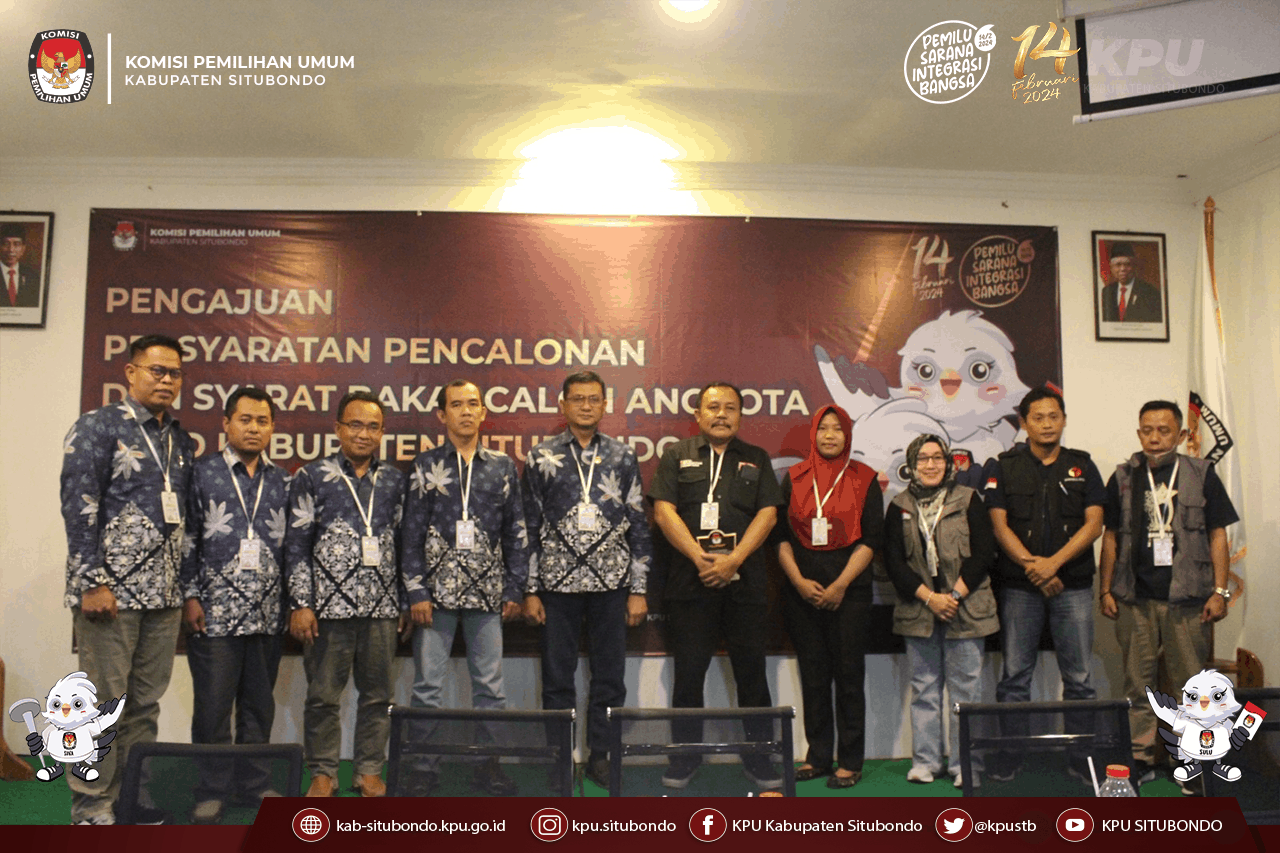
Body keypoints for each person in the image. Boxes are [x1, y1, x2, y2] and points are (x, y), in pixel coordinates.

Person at [59, 334, 194, 824]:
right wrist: (92, 582)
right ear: (131, 372)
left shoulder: (180, 439)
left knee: (144, 705)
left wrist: (182, 588)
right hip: (109, 594)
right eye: (157, 370)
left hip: (164, 595)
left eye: (174, 373)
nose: (166, 380)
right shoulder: (97, 427)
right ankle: (91, 804)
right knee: (101, 705)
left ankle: (133, 797)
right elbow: (78, 505)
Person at [648, 382, 784, 790]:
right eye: (713, 407)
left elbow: (768, 515)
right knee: (688, 676)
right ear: (698, 414)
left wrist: (733, 560)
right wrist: (700, 558)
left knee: (752, 676)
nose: (721, 414)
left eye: (730, 408)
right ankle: (685, 757)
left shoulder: (757, 458)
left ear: (740, 415)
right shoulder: (676, 455)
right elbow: (663, 512)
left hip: (744, 584)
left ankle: (759, 759)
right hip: (691, 584)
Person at [521, 371, 652, 790]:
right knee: (557, 679)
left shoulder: (622, 456)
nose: (586, 406)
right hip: (555, 586)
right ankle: (559, 756)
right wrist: (530, 589)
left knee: (609, 678)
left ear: (604, 405)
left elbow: (638, 524)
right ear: (563, 405)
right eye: (577, 399)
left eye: (593, 399)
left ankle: (602, 755)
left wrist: (638, 588)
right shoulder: (541, 457)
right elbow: (528, 526)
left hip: (611, 585)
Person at [1099, 400, 1238, 787]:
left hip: (1189, 601)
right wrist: (1105, 589)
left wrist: (1220, 591)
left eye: (1164, 430)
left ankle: (1191, 762)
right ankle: (1140, 758)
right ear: (1138, 433)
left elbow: (1218, 534)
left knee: (1191, 687)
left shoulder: (1202, 474)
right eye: (1147, 430)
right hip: (1135, 599)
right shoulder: (1124, 476)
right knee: (1137, 683)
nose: (1155, 437)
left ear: (1180, 435)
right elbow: (1110, 536)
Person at [400, 380, 529, 796]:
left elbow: (516, 531)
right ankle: (424, 767)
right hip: (434, 597)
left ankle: (488, 765)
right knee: (428, 687)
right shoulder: (425, 466)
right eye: (457, 405)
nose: (466, 411)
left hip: (488, 594)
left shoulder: (502, 466)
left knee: (490, 688)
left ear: (483, 412)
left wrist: (514, 588)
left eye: (473, 404)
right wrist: (416, 592)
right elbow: (410, 534)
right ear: (442, 415)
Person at [286, 390, 408, 798]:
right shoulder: (312, 476)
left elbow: (405, 545)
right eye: (355, 425)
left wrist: (403, 601)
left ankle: (369, 770)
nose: (363, 434)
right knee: (323, 697)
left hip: (381, 608)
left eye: (373, 427)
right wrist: (302, 603)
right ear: (338, 428)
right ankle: (323, 771)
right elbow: (297, 546)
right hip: (327, 610)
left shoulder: (394, 480)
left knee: (378, 696)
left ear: (382, 432)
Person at [984, 388, 1105, 784]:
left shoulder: (1082, 465)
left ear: (1064, 419)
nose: (1047, 424)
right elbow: (999, 525)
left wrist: (1053, 564)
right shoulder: (1004, 466)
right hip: (1020, 587)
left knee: (1080, 679)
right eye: (1038, 417)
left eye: (1054, 416)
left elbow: (1094, 525)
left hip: (1073, 586)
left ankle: (1081, 757)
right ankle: (1011, 755)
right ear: (1024, 423)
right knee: (1014, 678)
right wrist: (1033, 567)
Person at [180, 387, 289, 823]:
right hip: (215, 612)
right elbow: (187, 539)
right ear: (226, 423)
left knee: (258, 706)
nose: (254, 428)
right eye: (245, 419)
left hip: (266, 613)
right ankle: (211, 788)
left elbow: (292, 548)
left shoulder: (282, 481)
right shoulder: (202, 473)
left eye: (262, 421)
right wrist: (190, 595)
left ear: (273, 428)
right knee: (213, 708)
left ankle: (254, 783)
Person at [773, 405, 882, 788]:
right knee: (814, 676)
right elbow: (780, 538)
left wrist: (840, 585)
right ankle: (817, 756)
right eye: (824, 429)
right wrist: (799, 582)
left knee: (849, 677)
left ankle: (850, 760)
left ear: (847, 435)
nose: (830, 435)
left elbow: (872, 539)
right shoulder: (794, 478)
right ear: (814, 434)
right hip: (802, 593)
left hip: (849, 594)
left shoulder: (865, 478)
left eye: (838, 429)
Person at [884, 434, 998, 789]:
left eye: (937, 458)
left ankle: (965, 763)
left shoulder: (968, 499)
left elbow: (984, 552)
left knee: (966, 692)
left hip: (965, 608)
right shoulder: (899, 506)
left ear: (948, 463)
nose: (931, 465)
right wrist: (930, 598)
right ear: (911, 465)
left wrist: (954, 596)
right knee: (924, 690)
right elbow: (893, 563)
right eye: (923, 459)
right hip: (919, 610)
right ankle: (925, 762)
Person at [1100, 242, 1162, 323]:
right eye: (1118, 265)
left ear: (1134, 266)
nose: (1123, 269)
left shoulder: (1150, 293)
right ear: (1111, 268)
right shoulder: (1106, 292)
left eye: (1127, 264)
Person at [1, 223, 40, 307]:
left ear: (23, 249)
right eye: (6, 244)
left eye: (16, 244)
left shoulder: (33, 276)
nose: (11, 250)